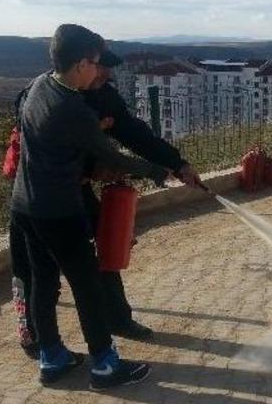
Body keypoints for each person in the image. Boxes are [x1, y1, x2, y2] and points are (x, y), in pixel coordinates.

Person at [11, 23, 167, 388]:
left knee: (43, 282)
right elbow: (113, 157)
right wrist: (154, 170)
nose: (99, 71)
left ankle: (52, 359)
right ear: (81, 63)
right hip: (58, 211)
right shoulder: (73, 108)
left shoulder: (38, 85)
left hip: (24, 208)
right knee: (88, 286)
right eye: (96, 64)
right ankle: (105, 366)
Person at [80, 49, 203, 338]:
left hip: (79, 186)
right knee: (44, 272)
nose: (107, 74)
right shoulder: (54, 97)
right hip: (42, 193)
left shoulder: (104, 96)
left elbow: (136, 135)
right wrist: (97, 164)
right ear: (82, 64)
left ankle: (118, 320)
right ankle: (38, 338)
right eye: (101, 67)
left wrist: (178, 163)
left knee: (107, 248)